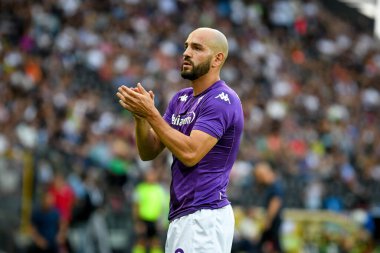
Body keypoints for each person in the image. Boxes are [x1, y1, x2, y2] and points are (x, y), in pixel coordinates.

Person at [116, 27, 244, 253]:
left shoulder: (222, 100)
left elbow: (190, 154)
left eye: (196, 48)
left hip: (204, 215)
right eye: (186, 46)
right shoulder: (181, 98)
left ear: (217, 59)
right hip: (182, 215)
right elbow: (149, 152)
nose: (186, 52)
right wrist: (141, 119)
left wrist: (152, 114)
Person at [253, 162, 285, 253]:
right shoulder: (271, 185)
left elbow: (275, 203)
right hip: (273, 221)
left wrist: (268, 221)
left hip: (273, 221)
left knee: (272, 246)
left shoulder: (274, 186)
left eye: (259, 176)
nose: (258, 179)